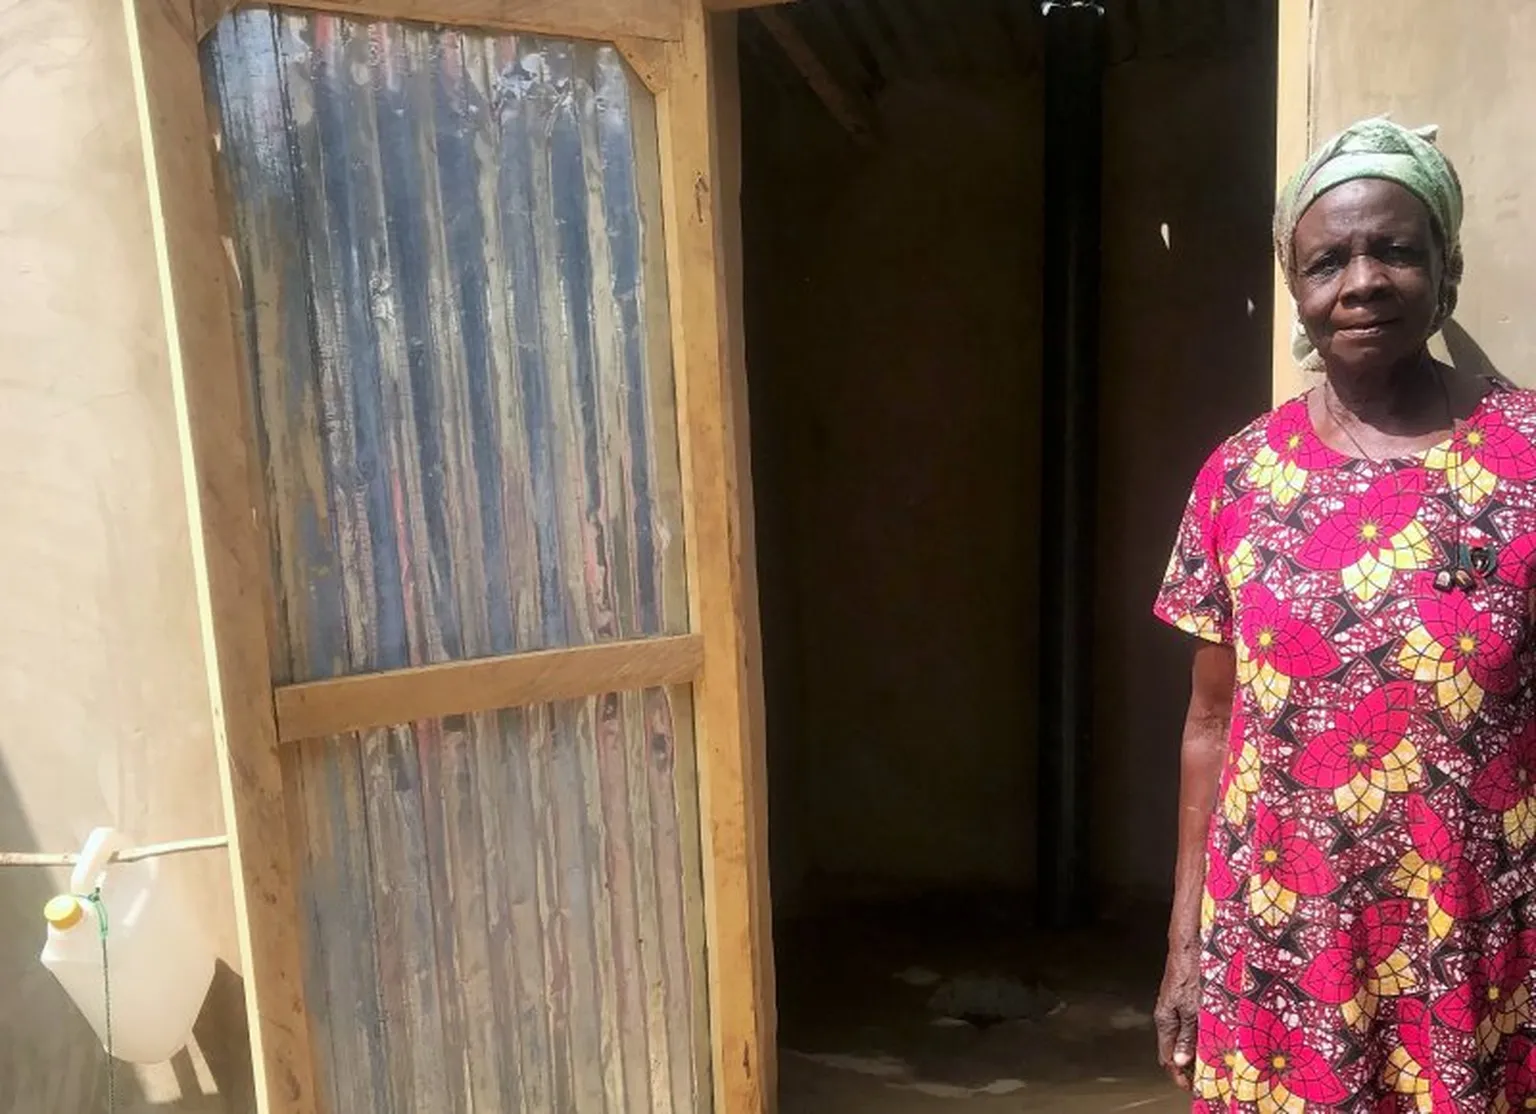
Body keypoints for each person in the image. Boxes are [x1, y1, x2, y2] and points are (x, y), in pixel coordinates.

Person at [1152, 116, 1536, 1112]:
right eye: (1328, 260)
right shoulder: (1240, 475)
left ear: (1446, 270)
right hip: (1284, 948)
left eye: (1395, 249)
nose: (1361, 280)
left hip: (1479, 944)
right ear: (1297, 292)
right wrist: (1184, 947)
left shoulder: (1527, 456)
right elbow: (1209, 722)